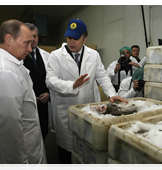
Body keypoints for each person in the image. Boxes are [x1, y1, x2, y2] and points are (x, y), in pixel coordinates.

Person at [46, 18, 126, 170]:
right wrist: (71, 85)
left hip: (89, 109)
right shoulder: (55, 56)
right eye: (69, 37)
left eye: (76, 38)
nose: (71, 41)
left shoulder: (93, 55)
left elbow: (102, 76)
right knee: (65, 148)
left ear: (85, 38)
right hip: (65, 110)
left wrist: (111, 94)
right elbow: (50, 80)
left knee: (86, 145)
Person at [0, 19, 48, 170]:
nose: (30, 48)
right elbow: (9, 134)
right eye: (26, 43)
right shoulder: (3, 72)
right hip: (16, 159)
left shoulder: (12, 62)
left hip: (28, 147)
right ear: (9, 39)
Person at [23, 23, 50, 140]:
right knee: (29, 137)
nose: (33, 39)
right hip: (26, 104)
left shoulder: (46, 56)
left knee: (43, 132)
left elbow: (51, 78)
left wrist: (48, 93)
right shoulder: (18, 57)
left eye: (35, 36)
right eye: (30, 36)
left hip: (43, 104)